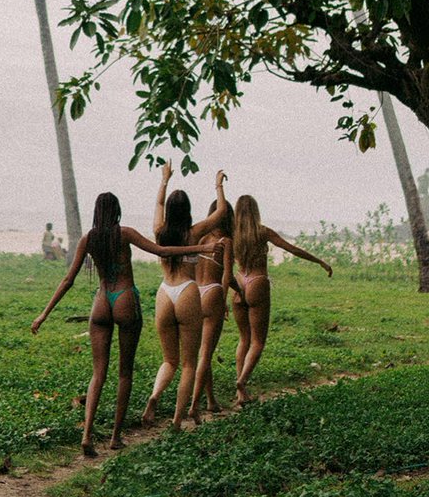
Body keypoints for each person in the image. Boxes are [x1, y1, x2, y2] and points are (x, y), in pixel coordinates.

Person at [31, 192, 192, 457]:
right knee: (124, 373)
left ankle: (86, 435)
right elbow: (161, 251)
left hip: (102, 301)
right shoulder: (124, 233)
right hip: (125, 298)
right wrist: (201, 249)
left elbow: (67, 280)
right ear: (117, 210)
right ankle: (116, 437)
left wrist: (43, 314)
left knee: (98, 374)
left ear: (96, 212)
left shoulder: (89, 239)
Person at [142, 162, 229, 430]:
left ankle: (154, 396)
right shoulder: (193, 232)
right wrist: (218, 185)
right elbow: (222, 213)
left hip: (165, 292)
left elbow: (158, 205)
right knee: (189, 363)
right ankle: (178, 420)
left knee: (169, 360)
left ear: (170, 211)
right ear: (188, 211)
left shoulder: (160, 230)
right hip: (187, 291)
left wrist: (164, 180)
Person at [231, 194, 332, 406]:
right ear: (256, 211)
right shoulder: (262, 232)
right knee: (258, 341)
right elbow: (292, 249)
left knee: (244, 339)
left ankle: (241, 393)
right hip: (258, 282)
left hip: (239, 282)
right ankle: (242, 381)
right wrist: (319, 261)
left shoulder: (233, 234)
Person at [189, 186, 234, 417]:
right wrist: (225, 298)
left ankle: (210, 399)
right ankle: (194, 406)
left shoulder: (200, 237)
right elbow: (227, 274)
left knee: (200, 351)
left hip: (196, 292)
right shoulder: (226, 241)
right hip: (214, 291)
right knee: (206, 354)